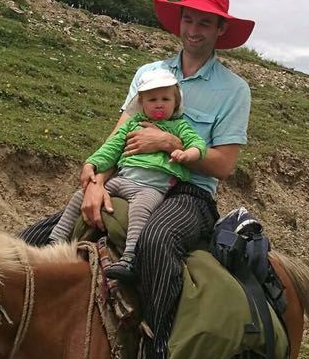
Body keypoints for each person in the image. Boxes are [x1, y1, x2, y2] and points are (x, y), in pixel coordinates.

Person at [80, 0, 254, 359]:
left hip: (191, 193)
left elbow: (224, 165)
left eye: (205, 22)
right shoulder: (148, 72)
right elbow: (120, 135)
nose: (194, 29)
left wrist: (170, 139)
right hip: (133, 178)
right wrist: (97, 180)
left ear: (219, 31)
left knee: (157, 240)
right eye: (189, 19)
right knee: (47, 231)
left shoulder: (234, 90)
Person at [47, 69, 207, 281]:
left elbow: (198, 145)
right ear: (141, 103)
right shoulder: (133, 124)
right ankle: (55, 239)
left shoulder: (179, 127)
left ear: (176, 102)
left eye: (165, 99)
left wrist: (186, 154)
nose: (159, 104)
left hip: (152, 188)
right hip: (123, 179)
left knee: (140, 210)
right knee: (80, 196)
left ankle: (130, 257)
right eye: (152, 99)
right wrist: (91, 163)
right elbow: (112, 147)